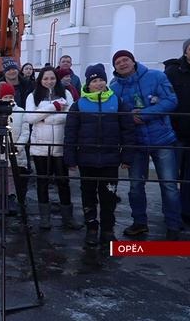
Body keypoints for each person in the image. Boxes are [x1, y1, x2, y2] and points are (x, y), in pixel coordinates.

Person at [110, 50, 182, 240]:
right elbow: (115, 112)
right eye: (118, 62)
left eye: (126, 60)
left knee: (169, 184)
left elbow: (171, 101)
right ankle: (139, 223)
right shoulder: (115, 87)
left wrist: (144, 114)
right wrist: (129, 117)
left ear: (133, 61)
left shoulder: (156, 76)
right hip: (135, 143)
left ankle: (173, 224)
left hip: (162, 139)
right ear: (115, 67)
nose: (123, 64)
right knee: (135, 185)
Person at [64, 64, 135, 246]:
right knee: (88, 195)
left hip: (110, 159)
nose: (99, 83)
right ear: (88, 83)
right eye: (95, 81)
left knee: (109, 196)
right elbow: (70, 133)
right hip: (86, 159)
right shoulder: (79, 105)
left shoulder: (117, 102)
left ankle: (108, 229)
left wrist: (127, 157)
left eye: (101, 80)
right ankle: (91, 227)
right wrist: (70, 158)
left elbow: (128, 130)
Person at [25, 66, 81, 230]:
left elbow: (71, 116)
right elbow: (30, 117)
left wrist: (47, 119)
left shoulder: (66, 94)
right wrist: (54, 107)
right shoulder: (33, 95)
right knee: (42, 182)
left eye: (52, 78)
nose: (49, 81)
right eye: (45, 78)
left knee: (63, 182)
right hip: (40, 146)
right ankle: (45, 218)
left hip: (61, 145)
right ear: (40, 80)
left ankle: (67, 218)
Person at [164, 37, 190, 226]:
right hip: (176, 131)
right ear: (185, 52)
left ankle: (189, 211)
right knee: (171, 175)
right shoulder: (174, 72)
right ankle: (172, 213)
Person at [0, 83, 30, 216]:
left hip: (16, 149)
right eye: (6, 96)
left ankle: (12, 198)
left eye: (11, 96)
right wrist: (2, 143)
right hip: (1, 149)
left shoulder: (21, 111)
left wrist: (19, 145)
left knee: (13, 175)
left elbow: (25, 131)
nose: (9, 99)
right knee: (1, 175)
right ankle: (1, 198)